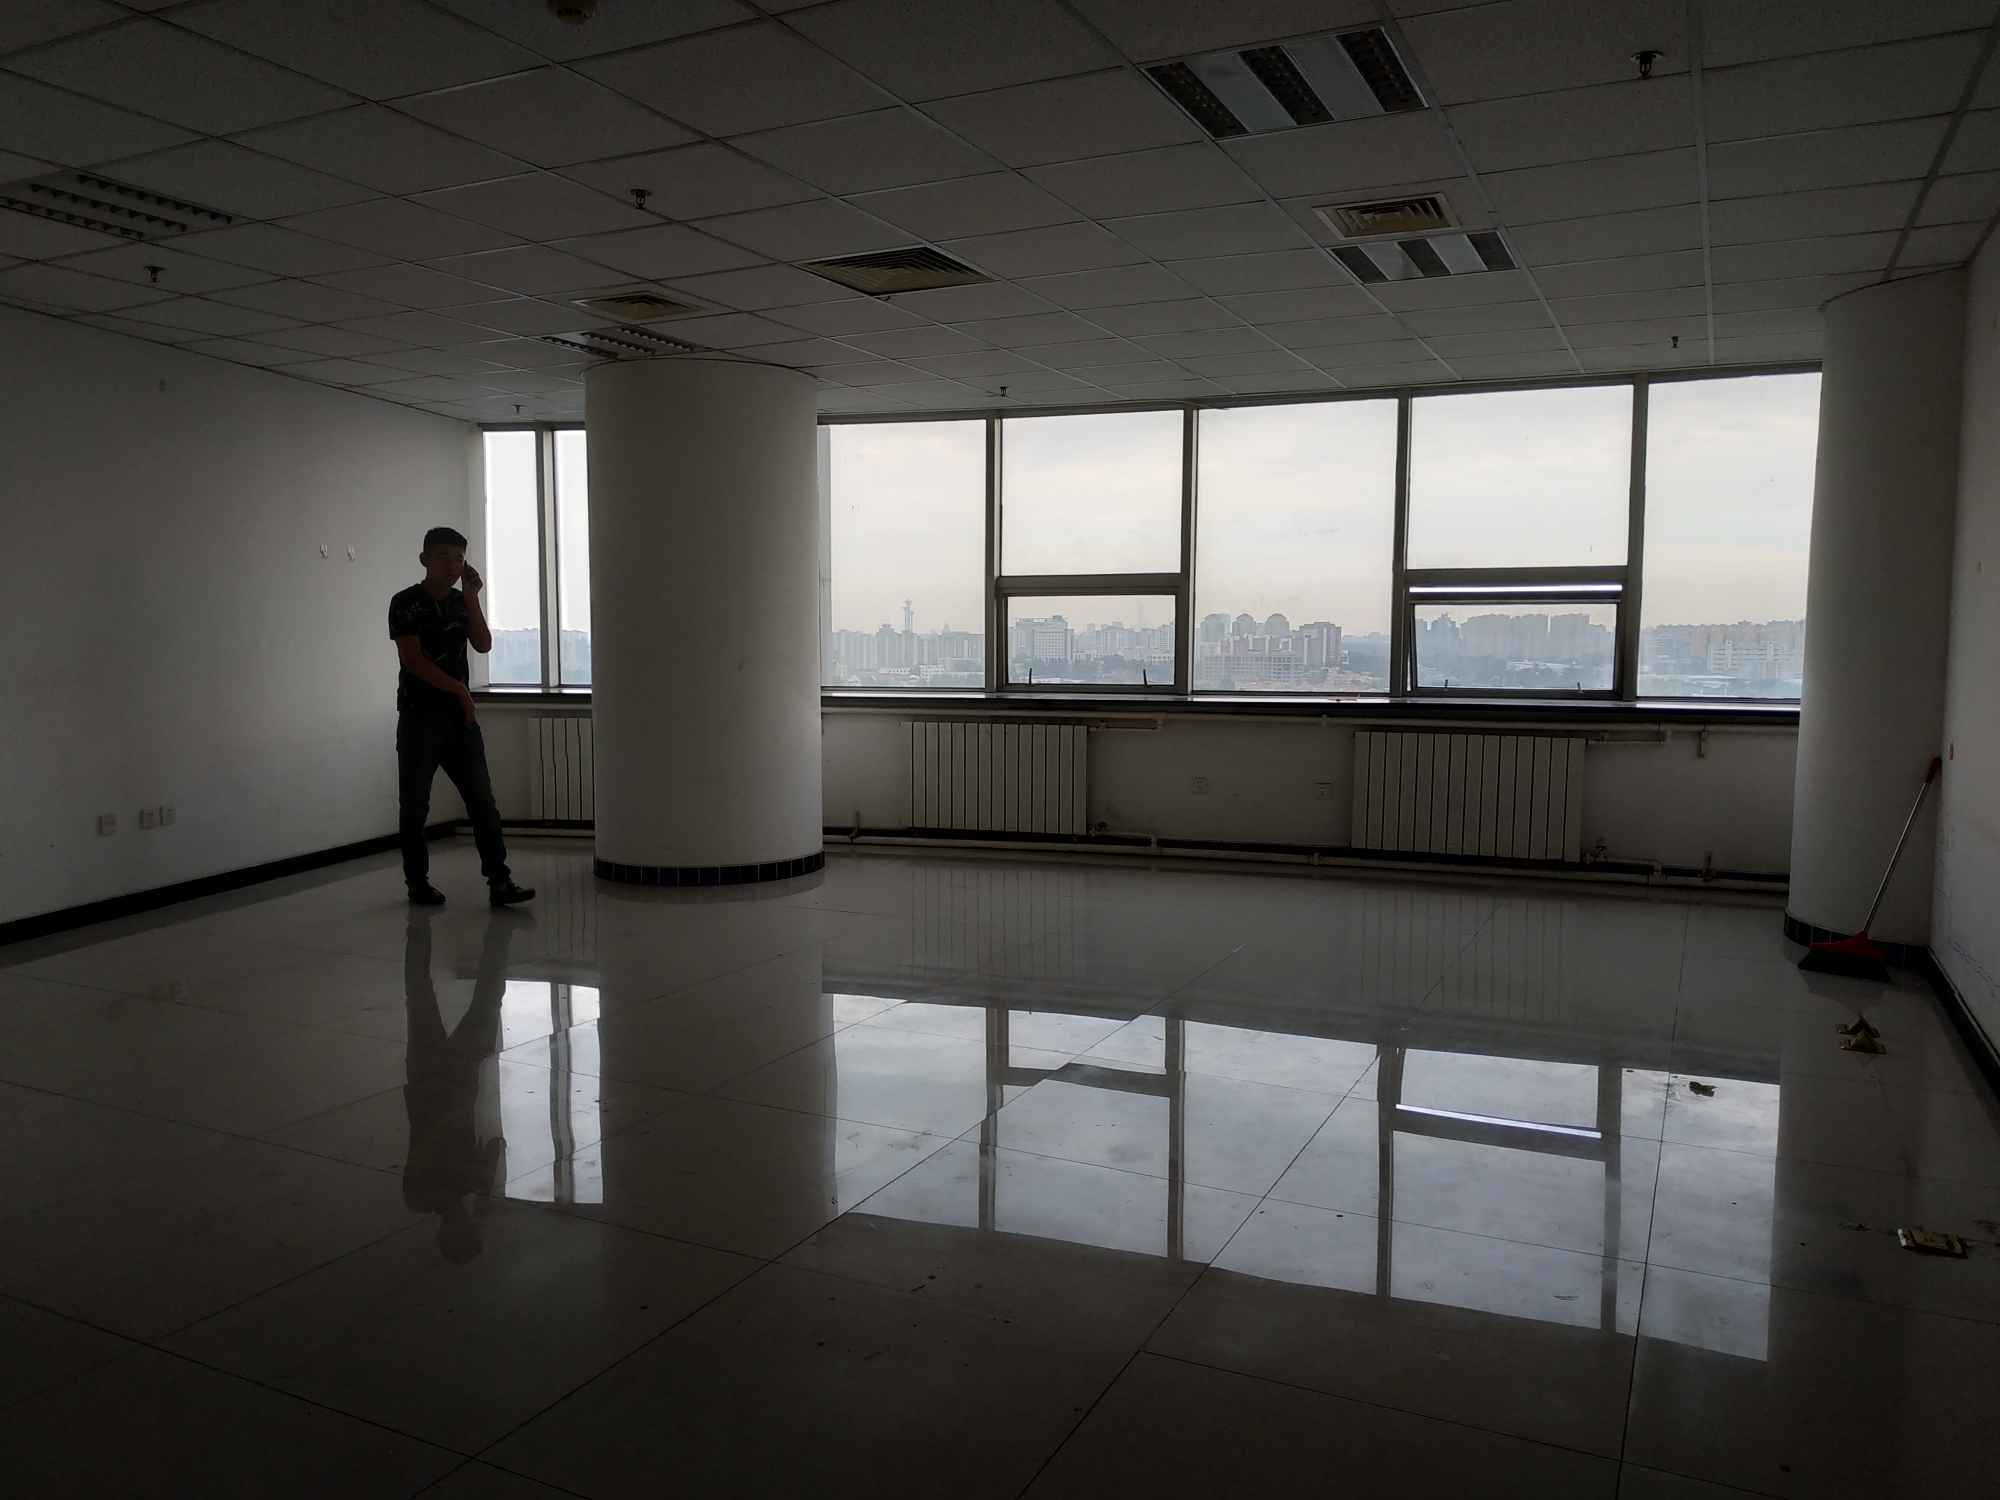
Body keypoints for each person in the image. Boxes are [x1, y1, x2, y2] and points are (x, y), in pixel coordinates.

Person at [388, 526, 534, 908]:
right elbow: (413, 660)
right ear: (424, 560)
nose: (453, 566)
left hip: (460, 721)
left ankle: (500, 881)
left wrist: (472, 598)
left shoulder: (460, 601)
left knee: (483, 802)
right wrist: (458, 690)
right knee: (415, 806)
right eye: (444, 557)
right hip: (419, 718)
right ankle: (417, 884)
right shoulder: (405, 602)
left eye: (458, 558)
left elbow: (483, 644)